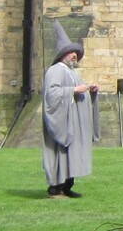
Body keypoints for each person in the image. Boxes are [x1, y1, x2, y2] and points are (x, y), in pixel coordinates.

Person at [41, 20, 98, 199]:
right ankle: (56, 188)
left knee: (71, 154)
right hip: (63, 122)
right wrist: (73, 90)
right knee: (61, 153)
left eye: (76, 53)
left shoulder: (72, 72)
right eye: (71, 52)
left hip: (73, 122)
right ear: (62, 55)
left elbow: (79, 91)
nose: (74, 55)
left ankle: (67, 186)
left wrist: (91, 91)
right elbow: (51, 94)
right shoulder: (56, 70)